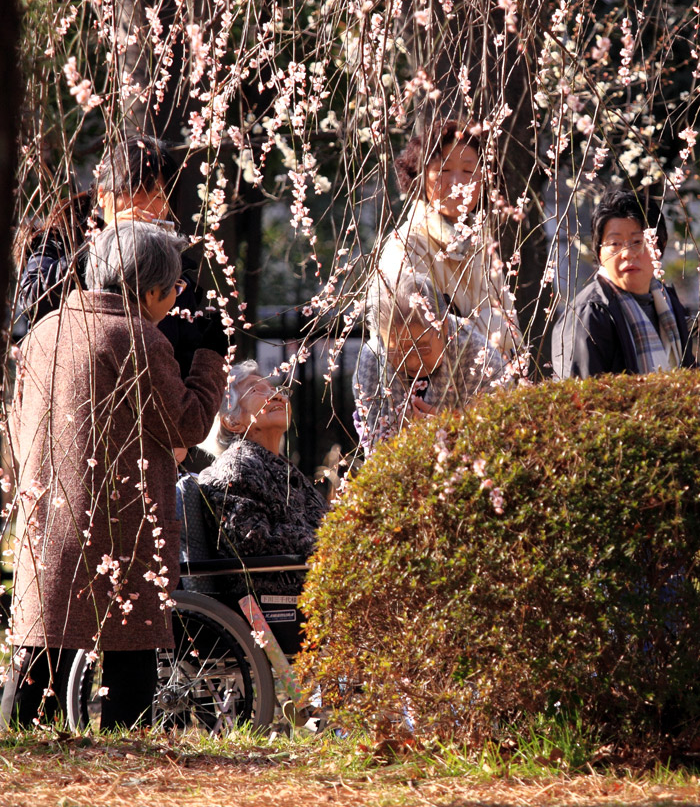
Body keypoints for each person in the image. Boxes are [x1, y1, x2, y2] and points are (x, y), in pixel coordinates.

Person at [2, 221, 229, 730]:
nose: (176, 297)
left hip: (48, 520)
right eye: (172, 288)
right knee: (130, 659)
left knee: (42, 650)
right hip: (121, 524)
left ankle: (20, 754)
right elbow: (188, 422)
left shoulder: (43, 332)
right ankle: (125, 767)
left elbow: (16, 426)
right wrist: (210, 359)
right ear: (149, 290)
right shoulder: (134, 336)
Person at [16, 134, 214, 378]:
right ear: (102, 195)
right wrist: (103, 243)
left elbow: (184, 355)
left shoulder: (174, 266)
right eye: (136, 191)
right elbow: (34, 301)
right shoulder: (64, 238)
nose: (146, 206)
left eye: (160, 196)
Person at [176, 360, 327, 602]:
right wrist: (327, 543)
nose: (277, 394)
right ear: (232, 421)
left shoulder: (284, 469)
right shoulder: (236, 466)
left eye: (276, 389)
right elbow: (251, 540)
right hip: (277, 603)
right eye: (257, 389)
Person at [379, 119, 520, 358]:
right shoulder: (406, 245)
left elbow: (511, 328)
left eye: (468, 171)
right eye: (443, 170)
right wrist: (489, 327)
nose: (458, 183)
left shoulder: (480, 242)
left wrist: (465, 324)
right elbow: (417, 338)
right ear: (421, 176)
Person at [353, 271, 511, 454]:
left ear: (443, 327)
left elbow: (502, 438)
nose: (411, 361)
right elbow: (377, 452)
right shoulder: (372, 357)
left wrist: (451, 428)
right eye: (397, 352)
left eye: (422, 348)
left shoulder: (479, 357)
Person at [552, 190, 696, 379]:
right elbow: (580, 399)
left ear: (659, 246)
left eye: (638, 241)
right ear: (599, 252)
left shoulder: (668, 303)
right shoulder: (589, 314)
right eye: (615, 243)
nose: (627, 253)